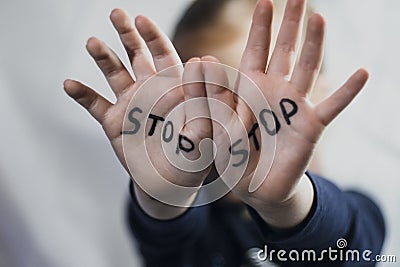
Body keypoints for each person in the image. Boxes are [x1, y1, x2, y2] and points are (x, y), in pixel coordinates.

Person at [63, 0, 385, 266]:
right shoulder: (198, 229)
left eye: (258, 99)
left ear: (320, 94)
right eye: (202, 102)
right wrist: (165, 194)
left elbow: (347, 249)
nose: (228, 125)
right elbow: (167, 247)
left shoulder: (360, 215)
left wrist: (285, 203)